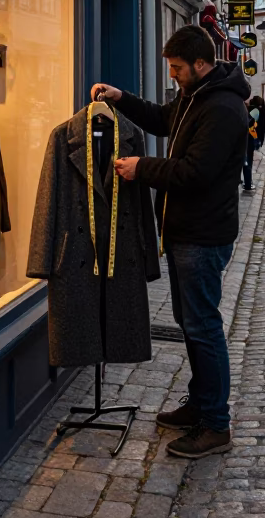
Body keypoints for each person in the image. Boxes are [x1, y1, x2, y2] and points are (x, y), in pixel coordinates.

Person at [92, 24, 249, 459]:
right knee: (191, 326)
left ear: (201, 64)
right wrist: (122, 98)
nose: (174, 76)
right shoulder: (194, 96)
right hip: (186, 232)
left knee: (203, 328)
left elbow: (193, 173)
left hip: (203, 236)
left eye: (179, 69)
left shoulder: (221, 109)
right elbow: (164, 119)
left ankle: (216, 425)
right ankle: (201, 404)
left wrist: (142, 168)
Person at [242, 101, 259, 191]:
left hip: (239, 144)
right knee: (247, 164)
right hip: (248, 144)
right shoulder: (250, 118)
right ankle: (248, 183)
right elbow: (254, 130)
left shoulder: (237, 117)